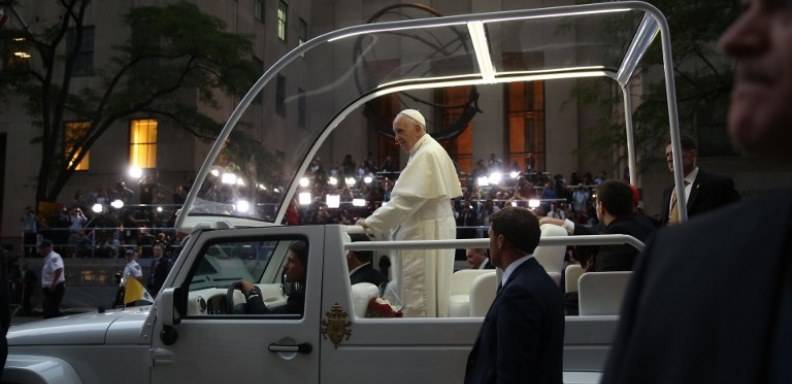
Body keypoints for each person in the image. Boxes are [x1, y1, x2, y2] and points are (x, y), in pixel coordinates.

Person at [602, 1, 792, 382]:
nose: (735, 39)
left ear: (692, 153)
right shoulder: (674, 256)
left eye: (781, 9)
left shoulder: (718, 199)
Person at [357, 109, 462, 317]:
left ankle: (419, 344)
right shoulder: (425, 152)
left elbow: (405, 201)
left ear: (417, 128)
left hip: (424, 234)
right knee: (426, 297)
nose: (396, 139)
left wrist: (370, 224)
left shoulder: (427, 153)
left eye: (399, 131)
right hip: (426, 230)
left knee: (419, 299)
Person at [464, 207, 564, 384]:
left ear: (500, 241)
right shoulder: (538, 279)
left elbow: (513, 371)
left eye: (490, 236)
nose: (489, 244)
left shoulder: (519, 294)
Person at [541, 180, 656, 272]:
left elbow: (603, 278)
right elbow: (591, 233)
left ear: (600, 207)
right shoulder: (643, 223)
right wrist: (561, 223)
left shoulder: (617, 233)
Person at [661, 134, 740, 225]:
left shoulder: (718, 185)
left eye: (673, 153)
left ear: (692, 155)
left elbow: (736, 218)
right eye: (667, 155)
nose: (669, 159)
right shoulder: (668, 192)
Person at [241, 241, 307, 315]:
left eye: (291, 261)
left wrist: (252, 292)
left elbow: (264, 319)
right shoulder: (305, 293)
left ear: (306, 266)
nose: (285, 265)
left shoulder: (302, 297)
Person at [39, 240, 65, 318]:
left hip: (54, 288)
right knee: (47, 309)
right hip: (50, 288)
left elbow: (58, 270)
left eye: (42, 248)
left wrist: (53, 285)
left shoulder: (54, 257)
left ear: (48, 248)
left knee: (51, 310)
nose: (40, 250)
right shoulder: (47, 258)